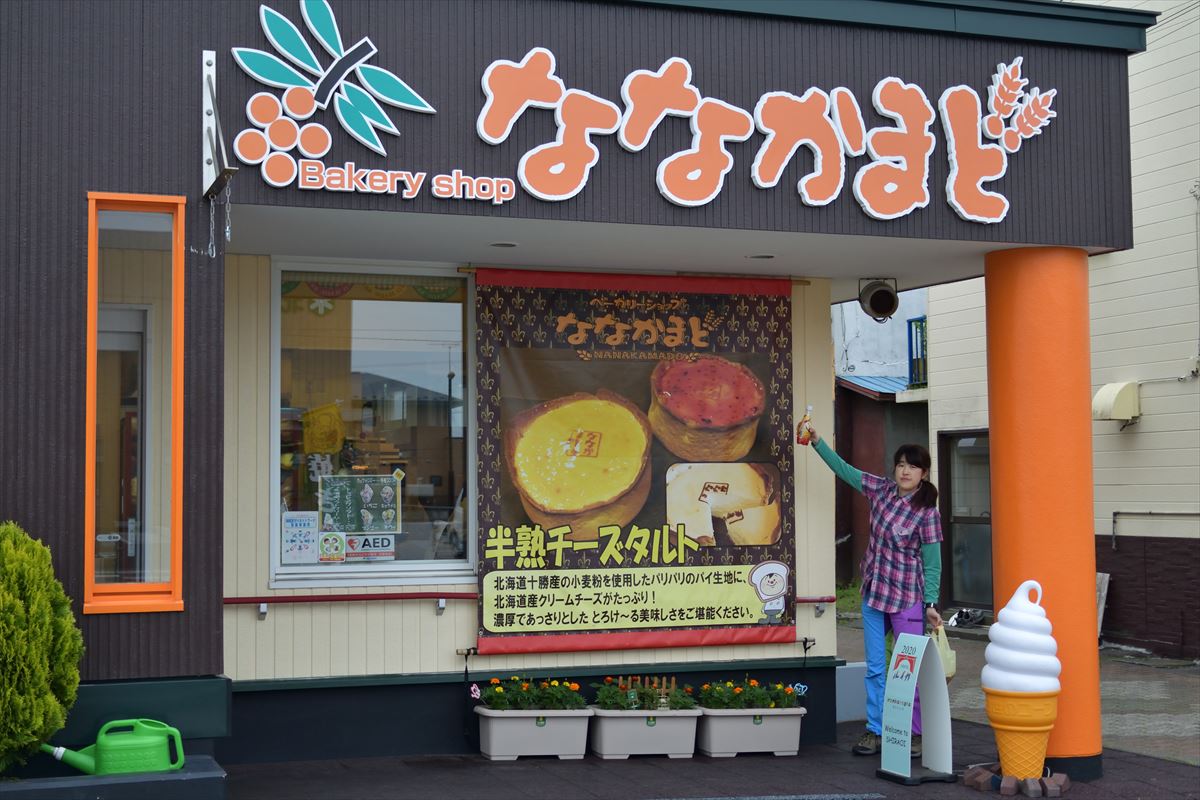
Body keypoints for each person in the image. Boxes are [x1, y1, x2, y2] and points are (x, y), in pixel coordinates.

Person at [799, 418, 943, 759]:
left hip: (908, 597)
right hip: (874, 594)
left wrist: (931, 602)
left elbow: (933, 562)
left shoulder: (927, 513)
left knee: (908, 668)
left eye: (913, 466)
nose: (905, 471)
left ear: (924, 473)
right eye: (901, 464)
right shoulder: (880, 490)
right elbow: (845, 470)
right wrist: (818, 441)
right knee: (876, 667)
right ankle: (874, 731)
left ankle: (915, 733)